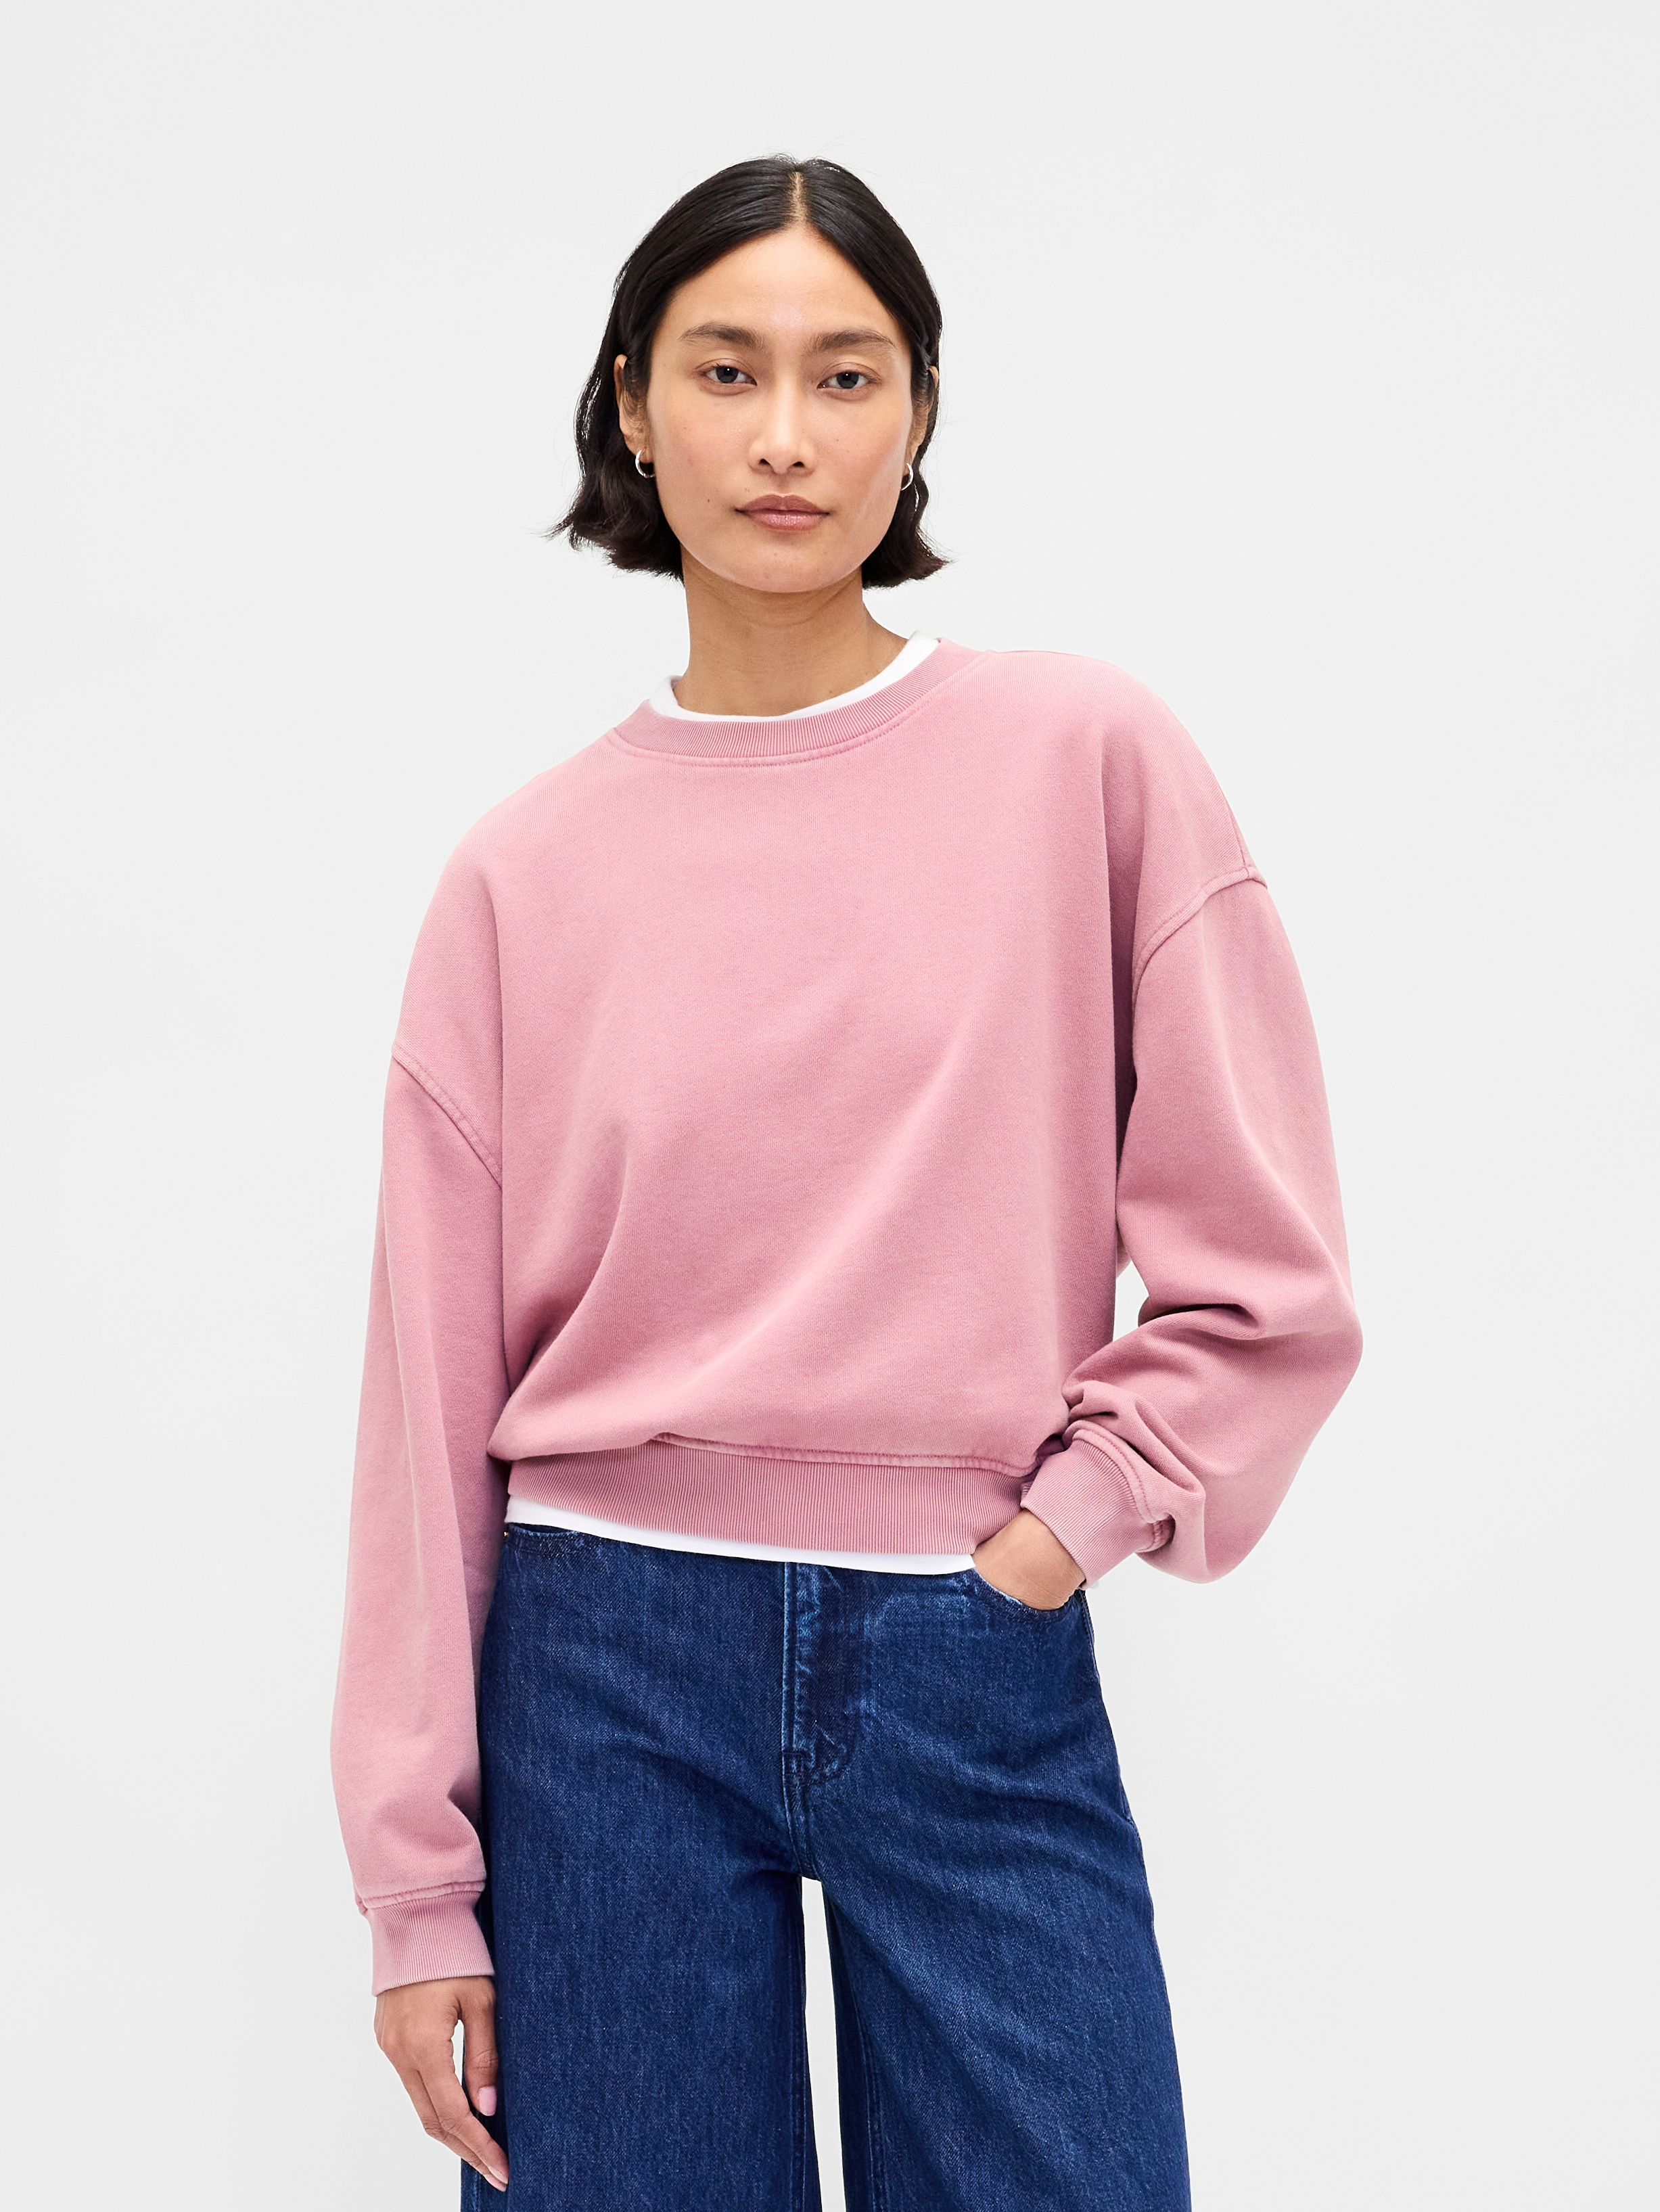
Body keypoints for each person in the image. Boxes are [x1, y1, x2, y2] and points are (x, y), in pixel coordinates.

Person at [329, 154, 1362, 2212]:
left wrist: (1066, 1533)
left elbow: (1270, 1273)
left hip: (968, 1640)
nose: (787, 436)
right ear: (634, 410)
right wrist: (419, 1890)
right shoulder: (522, 875)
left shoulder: (1086, 759)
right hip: (601, 1669)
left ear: (920, 412)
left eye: (848, 373)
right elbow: (426, 1403)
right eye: (726, 371)